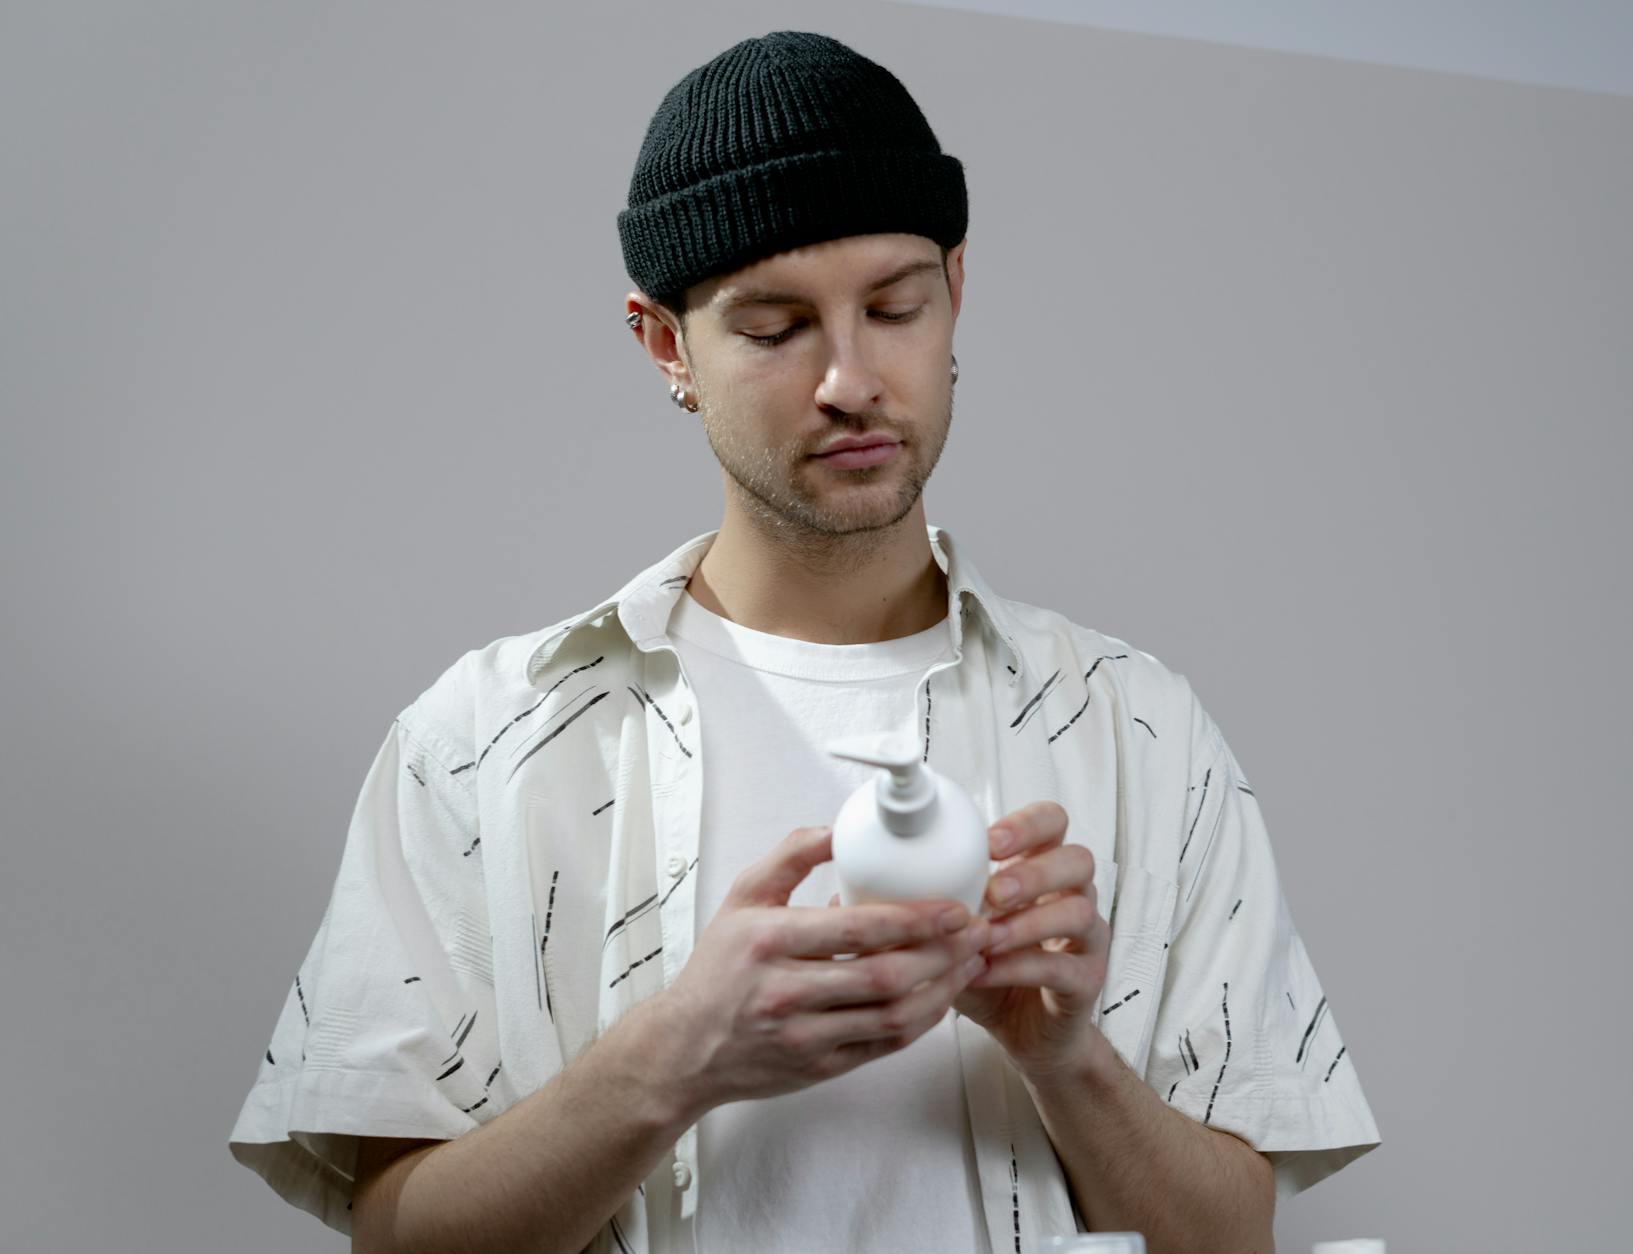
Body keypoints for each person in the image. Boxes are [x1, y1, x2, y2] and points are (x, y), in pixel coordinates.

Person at [227, 30, 1380, 1254]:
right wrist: (674, 1057)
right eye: (774, 328)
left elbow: (1231, 1236)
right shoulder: (484, 739)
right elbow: (395, 1240)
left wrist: (1063, 1057)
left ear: (954, 289)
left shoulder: (1137, 729)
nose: (849, 378)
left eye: (893, 307)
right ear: (666, 346)